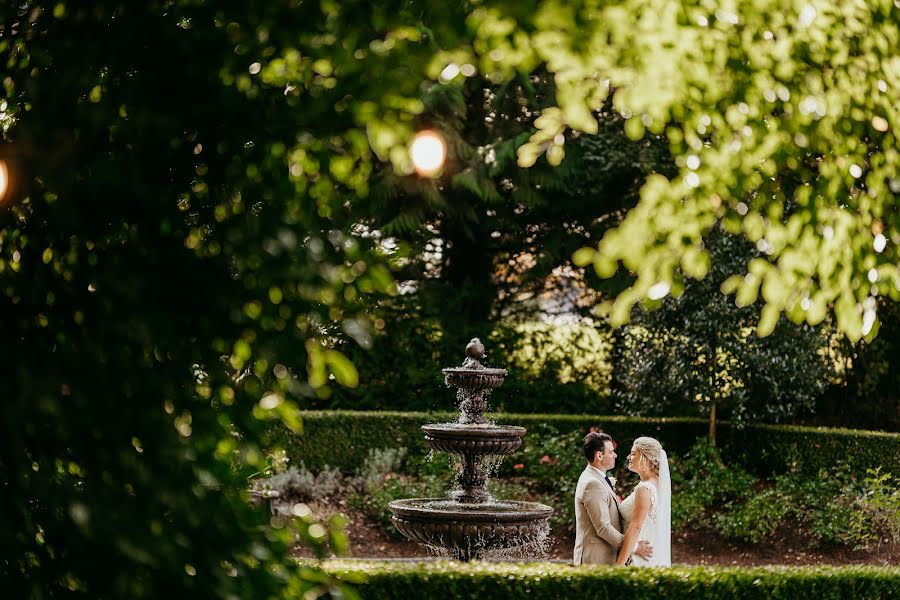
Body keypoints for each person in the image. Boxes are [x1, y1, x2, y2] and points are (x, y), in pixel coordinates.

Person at [574, 432, 653, 565]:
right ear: (599, 455)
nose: (615, 455)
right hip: (595, 559)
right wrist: (633, 546)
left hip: (604, 556)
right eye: (611, 452)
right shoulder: (592, 484)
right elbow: (603, 528)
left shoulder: (596, 477)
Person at [616, 436, 672, 566]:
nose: (629, 457)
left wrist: (620, 562)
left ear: (646, 458)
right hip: (649, 553)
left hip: (636, 557)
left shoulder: (644, 489)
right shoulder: (657, 484)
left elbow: (635, 528)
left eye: (633, 453)